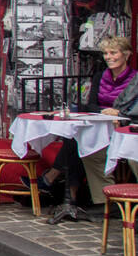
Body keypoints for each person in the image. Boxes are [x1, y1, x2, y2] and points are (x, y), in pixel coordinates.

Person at [32, 36, 138, 206]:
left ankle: (56, 181)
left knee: (77, 141)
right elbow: (92, 105)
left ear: (126, 54)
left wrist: (118, 113)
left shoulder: (135, 80)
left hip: (121, 127)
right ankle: (88, 199)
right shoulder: (99, 77)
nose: (108, 57)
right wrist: (103, 111)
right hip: (99, 123)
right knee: (78, 139)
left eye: (113, 53)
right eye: (105, 53)